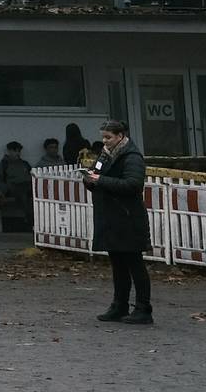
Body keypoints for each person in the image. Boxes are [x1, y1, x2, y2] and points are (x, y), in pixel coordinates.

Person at [84, 119, 151, 325]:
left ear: (120, 136)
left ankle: (143, 308)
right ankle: (119, 305)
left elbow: (133, 184)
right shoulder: (105, 155)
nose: (105, 141)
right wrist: (89, 180)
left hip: (128, 218)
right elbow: (97, 175)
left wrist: (100, 180)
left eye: (108, 137)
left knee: (134, 264)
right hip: (112, 217)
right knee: (118, 265)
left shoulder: (132, 157)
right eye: (103, 137)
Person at [0, 141, 34, 231]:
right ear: (9, 151)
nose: (17, 153)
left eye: (18, 151)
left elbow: (32, 175)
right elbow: (0, 180)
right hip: (13, 188)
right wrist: (5, 190)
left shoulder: (25, 164)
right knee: (23, 195)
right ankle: (29, 220)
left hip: (27, 186)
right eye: (14, 151)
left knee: (31, 195)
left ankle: (33, 219)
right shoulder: (4, 164)